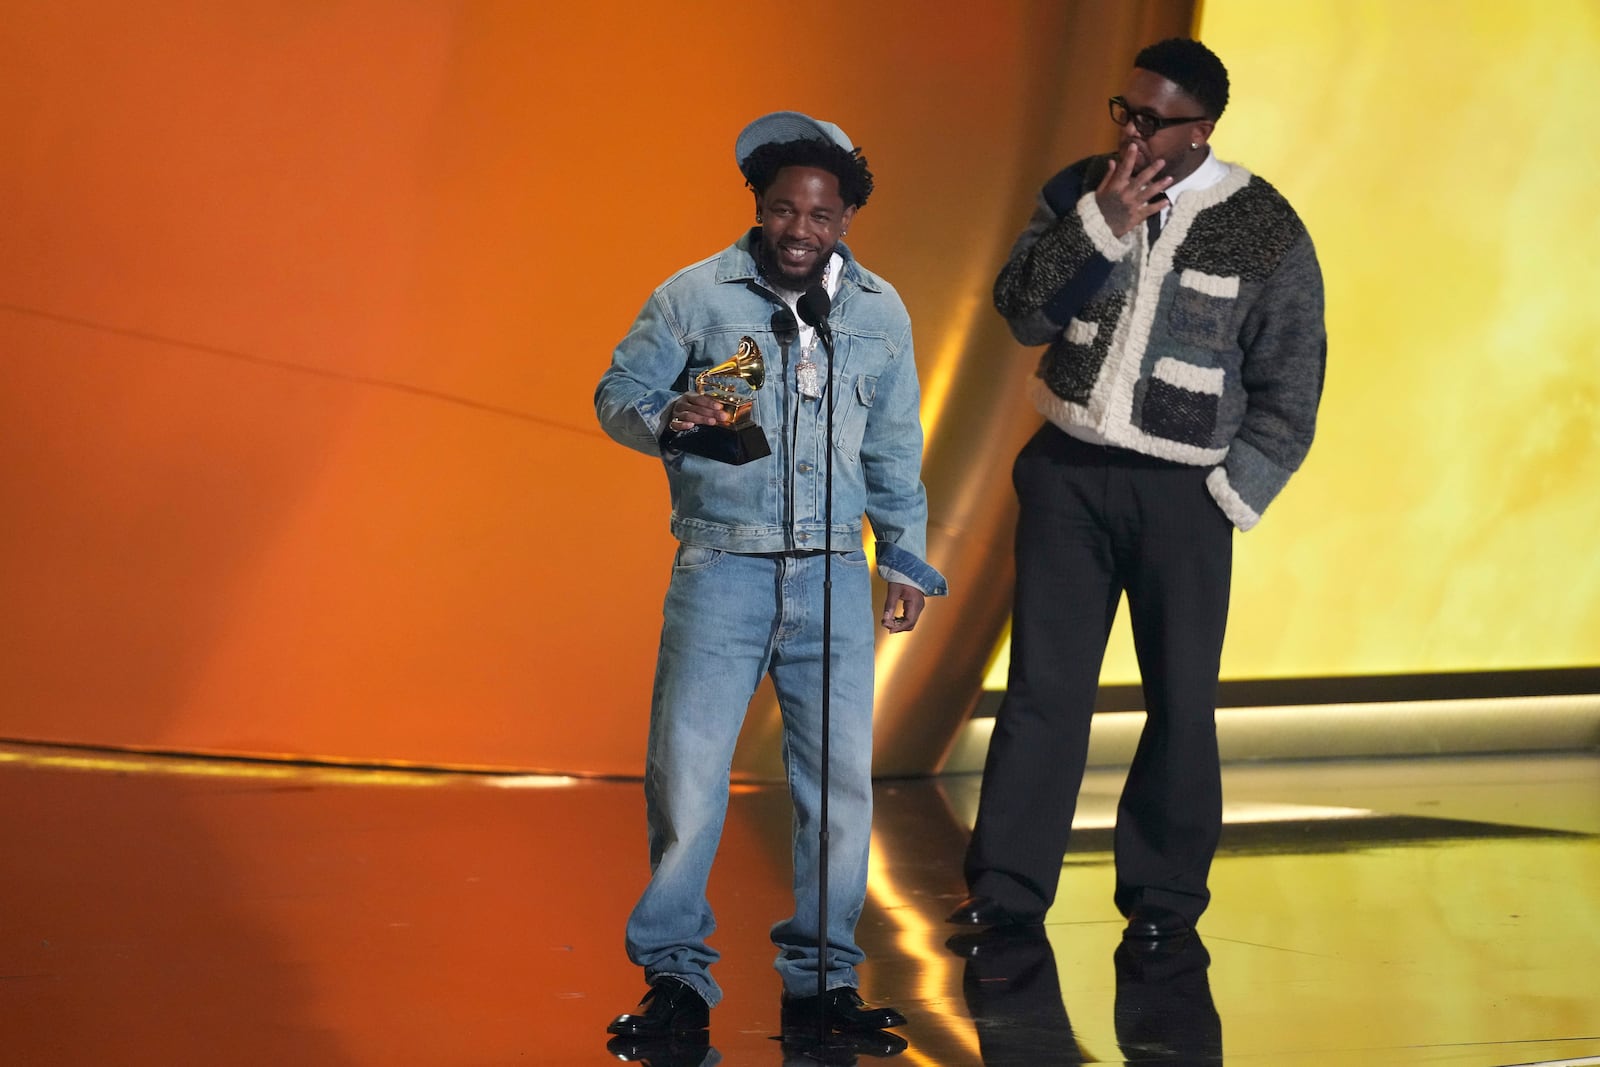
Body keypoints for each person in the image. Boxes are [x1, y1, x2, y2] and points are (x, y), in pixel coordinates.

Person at [949, 38, 1326, 942]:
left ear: (1202, 131)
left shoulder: (1265, 226)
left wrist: (1232, 493)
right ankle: (1006, 895)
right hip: (1069, 479)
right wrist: (1102, 224)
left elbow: (1292, 380)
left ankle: (1163, 902)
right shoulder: (1080, 188)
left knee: (1182, 700)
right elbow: (1022, 310)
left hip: (1185, 496)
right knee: (1043, 691)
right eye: (1126, 111)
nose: (1132, 132)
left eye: (1154, 121)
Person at [596, 111, 947, 1044]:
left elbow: (893, 445)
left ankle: (823, 981)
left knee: (836, 788)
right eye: (784, 209)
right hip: (722, 565)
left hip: (834, 571)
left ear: (846, 220)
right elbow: (615, 394)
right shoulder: (693, 296)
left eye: (821, 215)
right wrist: (675, 411)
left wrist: (902, 550)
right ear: (759, 206)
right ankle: (675, 978)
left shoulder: (878, 313)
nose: (800, 229)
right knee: (688, 778)